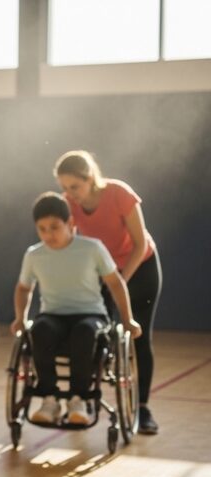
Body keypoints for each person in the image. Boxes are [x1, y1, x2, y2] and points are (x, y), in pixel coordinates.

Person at [54, 150, 162, 434]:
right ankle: (85, 399)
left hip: (140, 268)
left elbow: (139, 244)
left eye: (74, 187)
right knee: (92, 332)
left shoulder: (119, 194)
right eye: (64, 188)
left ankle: (143, 408)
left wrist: (121, 282)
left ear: (90, 178)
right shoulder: (70, 205)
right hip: (105, 271)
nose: (70, 193)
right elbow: (71, 243)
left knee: (138, 336)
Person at [11, 192, 142, 426]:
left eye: (54, 227)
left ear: (71, 223)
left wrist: (128, 319)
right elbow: (23, 289)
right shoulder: (34, 255)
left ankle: (78, 399)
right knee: (39, 330)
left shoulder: (92, 248)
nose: (48, 234)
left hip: (91, 315)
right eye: (42, 229)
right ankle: (49, 399)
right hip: (53, 315)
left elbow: (115, 283)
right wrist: (20, 318)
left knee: (84, 332)